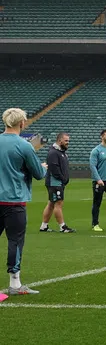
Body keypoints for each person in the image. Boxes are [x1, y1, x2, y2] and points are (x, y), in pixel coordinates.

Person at [0, 107, 46, 297]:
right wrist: (43, 166)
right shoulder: (24, 146)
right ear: (22, 123)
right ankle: (15, 283)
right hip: (14, 201)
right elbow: (38, 174)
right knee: (15, 241)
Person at [40, 131, 75, 234]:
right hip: (55, 182)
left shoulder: (61, 152)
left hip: (57, 182)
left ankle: (44, 226)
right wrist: (63, 179)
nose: (68, 142)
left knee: (51, 203)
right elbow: (54, 169)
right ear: (60, 141)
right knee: (58, 203)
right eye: (66, 140)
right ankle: (62, 227)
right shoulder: (53, 153)